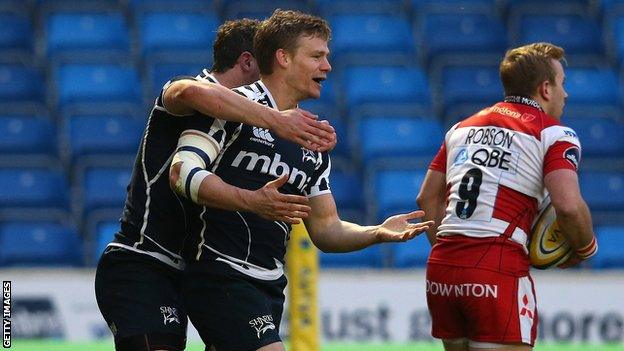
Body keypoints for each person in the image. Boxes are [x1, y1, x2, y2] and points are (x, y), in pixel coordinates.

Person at [169, 9, 434, 351]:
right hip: (218, 272)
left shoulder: (312, 137)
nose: (328, 66)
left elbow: (326, 228)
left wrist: (378, 233)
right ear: (283, 57)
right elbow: (183, 174)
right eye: (317, 56)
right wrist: (251, 200)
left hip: (269, 285)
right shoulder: (232, 107)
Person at [94, 18, 337, 351]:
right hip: (145, 261)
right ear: (250, 61)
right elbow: (191, 93)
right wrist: (276, 120)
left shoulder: (246, 119)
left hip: (196, 267)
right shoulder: (191, 90)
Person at [416, 42, 598, 351]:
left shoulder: (461, 128)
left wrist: (458, 254)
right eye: (562, 84)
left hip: (442, 266)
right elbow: (568, 206)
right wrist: (585, 248)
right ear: (545, 88)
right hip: (497, 265)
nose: (565, 94)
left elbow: (426, 199)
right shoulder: (554, 134)